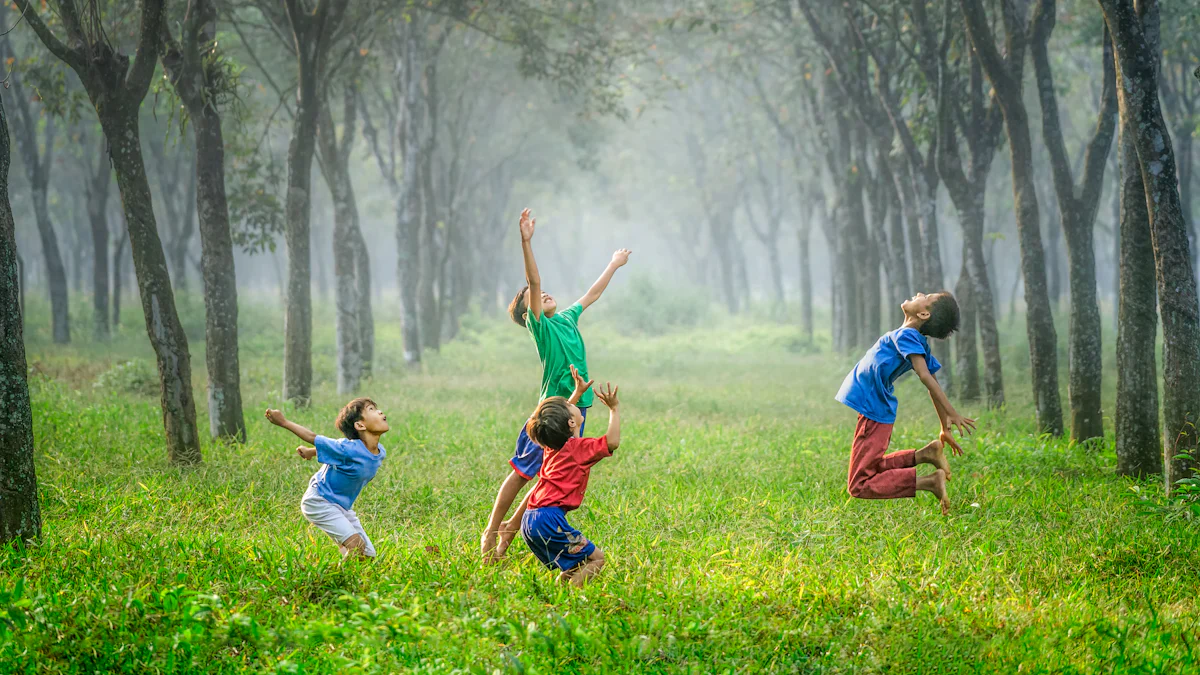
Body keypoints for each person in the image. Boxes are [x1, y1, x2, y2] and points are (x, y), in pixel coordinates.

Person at [480, 207, 630, 561]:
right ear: (526, 314)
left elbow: (591, 294)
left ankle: (505, 542)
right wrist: (526, 241)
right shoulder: (541, 328)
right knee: (521, 473)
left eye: (544, 292)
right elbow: (533, 282)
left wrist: (613, 264)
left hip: (578, 409)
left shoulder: (565, 318)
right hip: (551, 411)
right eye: (532, 297)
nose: (543, 293)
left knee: (549, 479)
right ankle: (491, 534)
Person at [835, 292, 976, 515]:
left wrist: (952, 413)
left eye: (926, 296)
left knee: (859, 484)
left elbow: (926, 377)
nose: (919, 293)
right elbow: (932, 382)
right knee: (871, 468)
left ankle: (929, 482)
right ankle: (925, 455)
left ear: (923, 313)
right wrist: (944, 427)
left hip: (874, 410)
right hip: (874, 409)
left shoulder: (909, 336)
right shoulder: (911, 338)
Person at [521, 380, 621, 586]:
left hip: (529, 519)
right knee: (597, 559)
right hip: (549, 521)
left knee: (574, 564)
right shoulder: (579, 449)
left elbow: (556, 420)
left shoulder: (552, 446)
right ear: (571, 423)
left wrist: (576, 393)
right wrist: (614, 409)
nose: (572, 404)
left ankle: (558, 593)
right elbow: (612, 442)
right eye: (570, 405)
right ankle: (571, 598)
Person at [265, 398, 388, 557]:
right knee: (357, 548)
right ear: (360, 425)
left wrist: (311, 451)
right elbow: (313, 437)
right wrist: (283, 422)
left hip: (342, 507)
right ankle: (333, 578)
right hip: (319, 501)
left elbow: (339, 453)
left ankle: (346, 559)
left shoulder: (379, 451)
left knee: (367, 555)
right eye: (371, 409)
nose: (380, 412)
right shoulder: (347, 448)